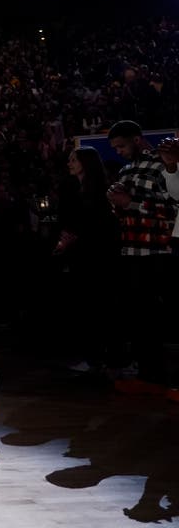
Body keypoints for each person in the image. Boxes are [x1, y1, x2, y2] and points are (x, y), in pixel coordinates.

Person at [105, 121, 179, 396]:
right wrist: (116, 204)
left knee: (162, 314)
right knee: (140, 315)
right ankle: (149, 372)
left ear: (137, 139)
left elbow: (173, 209)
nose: (119, 152)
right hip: (131, 249)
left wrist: (131, 203)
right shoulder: (126, 169)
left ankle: (164, 373)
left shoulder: (163, 165)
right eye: (115, 148)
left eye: (121, 146)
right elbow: (124, 209)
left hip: (159, 251)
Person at [53, 145, 119, 374]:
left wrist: (75, 237)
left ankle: (105, 357)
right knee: (87, 307)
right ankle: (94, 356)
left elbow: (99, 226)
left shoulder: (101, 191)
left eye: (74, 159)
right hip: (81, 255)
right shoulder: (73, 189)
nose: (69, 163)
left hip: (97, 257)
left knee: (100, 306)